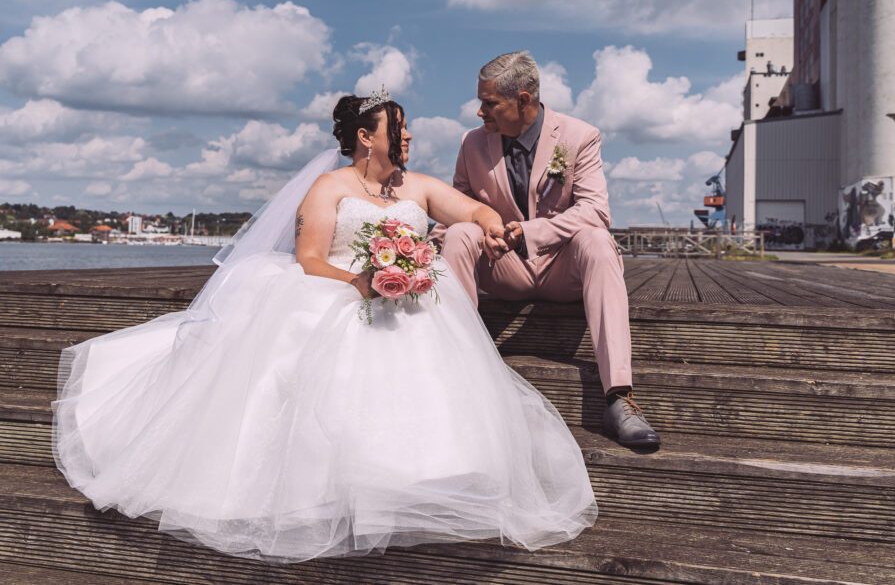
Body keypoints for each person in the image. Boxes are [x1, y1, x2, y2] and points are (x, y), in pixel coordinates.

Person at [51, 90, 597, 563]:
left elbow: (470, 210)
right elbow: (310, 259)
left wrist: (491, 224)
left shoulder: (418, 187)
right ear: (366, 136)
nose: (408, 136)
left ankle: (431, 477)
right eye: (399, 127)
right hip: (342, 290)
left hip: (407, 298)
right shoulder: (328, 188)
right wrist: (360, 281)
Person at [434, 51, 660, 449]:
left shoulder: (579, 136)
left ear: (523, 100)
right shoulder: (473, 143)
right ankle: (459, 378)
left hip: (560, 268)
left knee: (597, 239)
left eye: (489, 103)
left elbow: (595, 211)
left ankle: (620, 396)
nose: (478, 112)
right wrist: (424, 248)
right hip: (504, 269)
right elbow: (456, 205)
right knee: (457, 235)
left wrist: (531, 231)